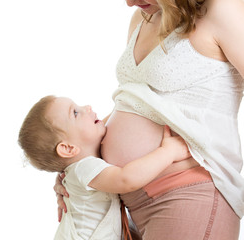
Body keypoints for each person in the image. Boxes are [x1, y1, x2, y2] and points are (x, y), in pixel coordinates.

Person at [54, 0, 244, 239]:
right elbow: (136, 102)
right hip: (128, 203)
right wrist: (77, 166)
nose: (129, 3)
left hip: (187, 193)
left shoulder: (221, 9)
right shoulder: (143, 17)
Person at [18, 95, 191, 240]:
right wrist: (168, 152)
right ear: (68, 148)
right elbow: (126, 179)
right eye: (76, 112)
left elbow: (114, 119)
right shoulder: (84, 167)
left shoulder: (81, 167)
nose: (87, 106)